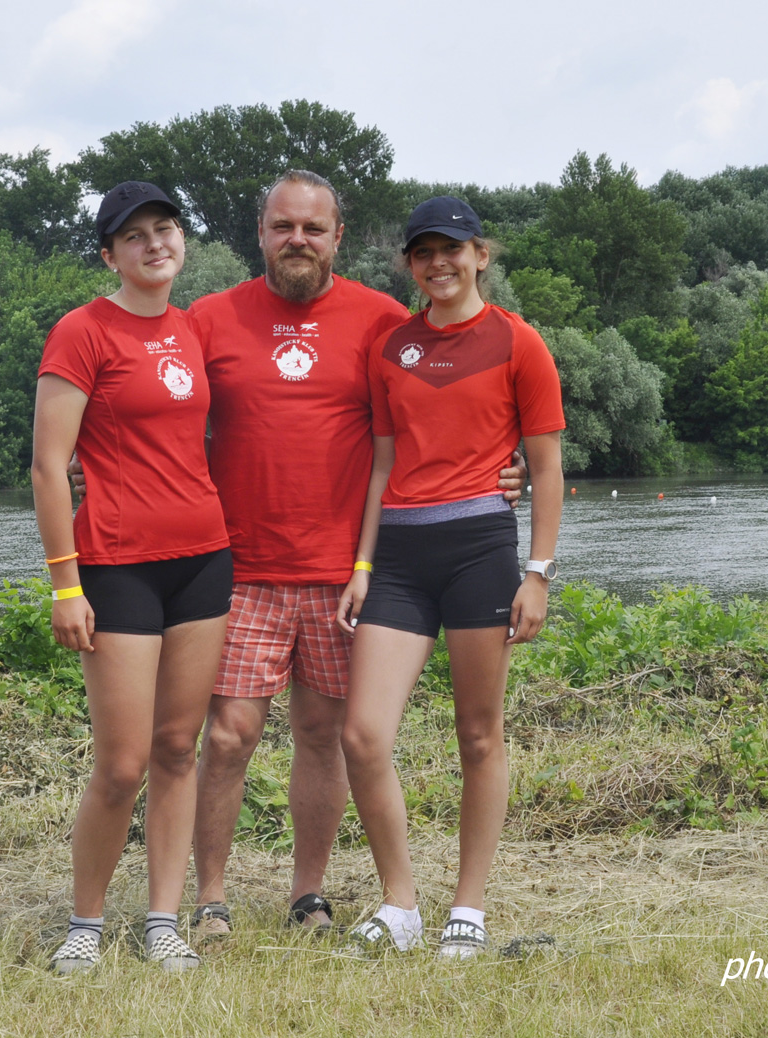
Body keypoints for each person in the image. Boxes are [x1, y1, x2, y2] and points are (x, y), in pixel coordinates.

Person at [69, 173, 526, 936]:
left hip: (348, 572)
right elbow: (147, 393)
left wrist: (505, 467)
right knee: (226, 736)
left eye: (314, 229)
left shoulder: (385, 322)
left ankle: (306, 894)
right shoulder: (208, 320)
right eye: (283, 227)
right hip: (235, 565)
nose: (298, 241)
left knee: (324, 734)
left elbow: (446, 399)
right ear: (260, 233)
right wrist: (94, 456)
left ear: (338, 238)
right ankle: (209, 898)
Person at [334, 195, 565, 958]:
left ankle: (468, 907)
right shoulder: (390, 347)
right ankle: (401, 905)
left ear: (481, 256)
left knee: (478, 735)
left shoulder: (518, 343)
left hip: (479, 551)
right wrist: (363, 564)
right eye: (424, 252)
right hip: (398, 557)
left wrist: (537, 573)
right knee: (363, 735)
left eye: (454, 249)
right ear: (408, 264)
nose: (440, 263)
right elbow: (383, 463)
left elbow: (544, 465)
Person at [30, 181, 231, 973]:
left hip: (205, 558)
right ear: (110, 254)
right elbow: (50, 467)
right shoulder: (82, 331)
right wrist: (64, 583)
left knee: (179, 747)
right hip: (115, 566)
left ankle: (162, 922)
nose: (156, 244)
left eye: (168, 229)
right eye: (137, 235)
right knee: (121, 764)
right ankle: (84, 924)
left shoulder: (194, 329)